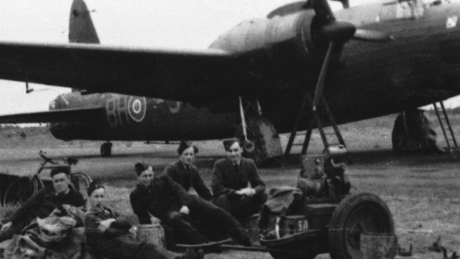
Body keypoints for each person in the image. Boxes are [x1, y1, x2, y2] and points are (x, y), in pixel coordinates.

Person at [129, 163, 251, 246]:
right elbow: (141, 214)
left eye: (150, 175)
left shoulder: (163, 179)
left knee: (215, 210)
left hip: (187, 202)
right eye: (144, 176)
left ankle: (243, 237)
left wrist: (184, 205)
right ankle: (205, 243)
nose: (148, 179)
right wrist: (151, 218)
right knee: (175, 218)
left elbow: (179, 190)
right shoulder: (135, 195)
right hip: (169, 213)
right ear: (138, 177)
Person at [84, 181, 204, 259]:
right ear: (89, 197)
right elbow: (111, 233)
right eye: (96, 196)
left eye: (101, 196)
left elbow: (128, 220)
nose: (99, 200)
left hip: (122, 242)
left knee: (150, 247)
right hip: (110, 248)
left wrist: (113, 222)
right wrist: (124, 228)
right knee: (148, 248)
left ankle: (183, 258)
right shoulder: (90, 216)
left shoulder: (107, 210)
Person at [0, 166, 85, 243]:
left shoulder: (76, 197)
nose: (59, 184)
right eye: (56, 181)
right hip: (26, 222)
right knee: (4, 234)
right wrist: (11, 221)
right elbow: (26, 206)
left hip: (45, 231)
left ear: (68, 180)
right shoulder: (45, 192)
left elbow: (80, 216)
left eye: (62, 180)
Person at [211, 138, 267, 219]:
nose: (233, 154)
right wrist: (237, 192)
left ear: (241, 149)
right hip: (228, 201)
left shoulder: (249, 163)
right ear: (226, 152)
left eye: (236, 150)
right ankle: (227, 226)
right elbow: (216, 188)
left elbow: (261, 185)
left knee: (262, 195)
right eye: (230, 151)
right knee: (222, 198)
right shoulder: (219, 165)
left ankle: (257, 224)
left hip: (243, 200)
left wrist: (252, 191)